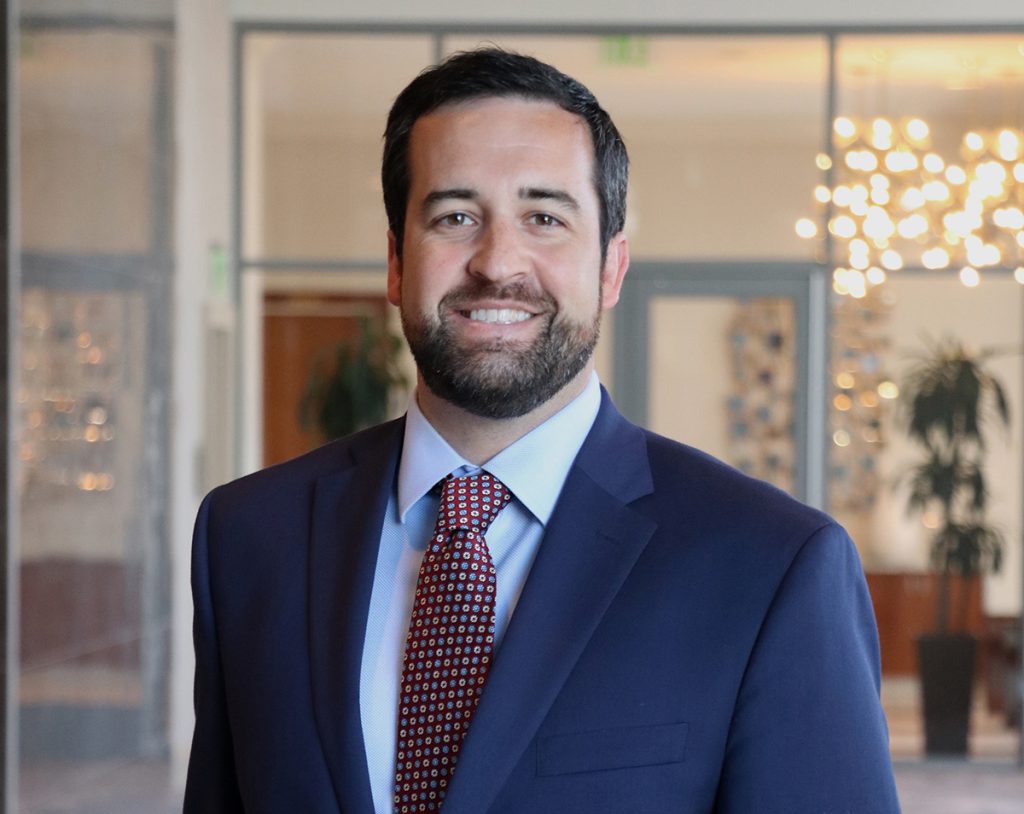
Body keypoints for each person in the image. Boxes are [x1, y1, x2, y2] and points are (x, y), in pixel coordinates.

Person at [185, 48, 900, 813]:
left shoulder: (771, 565)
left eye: (545, 218)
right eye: (455, 216)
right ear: (397, 262)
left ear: (611, 268)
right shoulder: (248, 538)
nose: (498, 263)